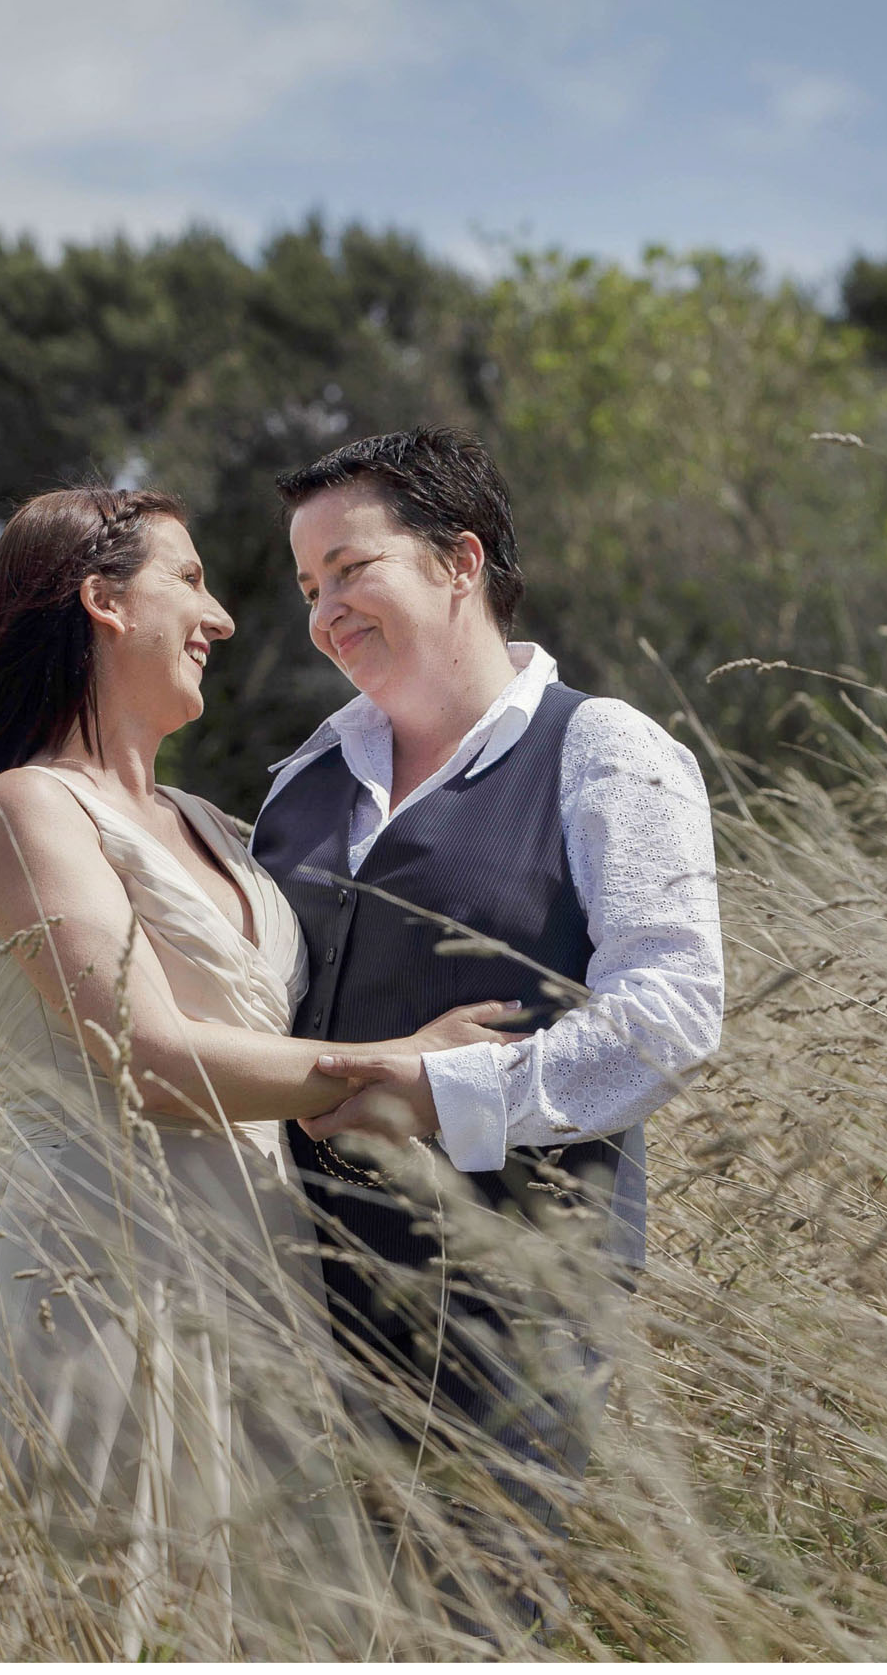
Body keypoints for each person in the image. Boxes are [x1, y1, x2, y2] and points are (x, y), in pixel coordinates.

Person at [0, 485, 519, 1657]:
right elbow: (154, 1064)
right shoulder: (25, 812)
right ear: (102, 601)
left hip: (262, 1294)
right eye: (191, 581)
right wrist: (400, 1067)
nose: (221, 618)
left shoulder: (218, 826)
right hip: (104, 1298)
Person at [251, 426, 724, 1624]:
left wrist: (443, 1094)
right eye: (309, 588)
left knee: (470, 1620)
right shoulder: (299, 780)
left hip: (513, 1293)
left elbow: (670, 1011)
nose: (323, 612)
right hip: (292, 1291)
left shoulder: (604, 749)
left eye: (350, 569)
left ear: (459, 559)